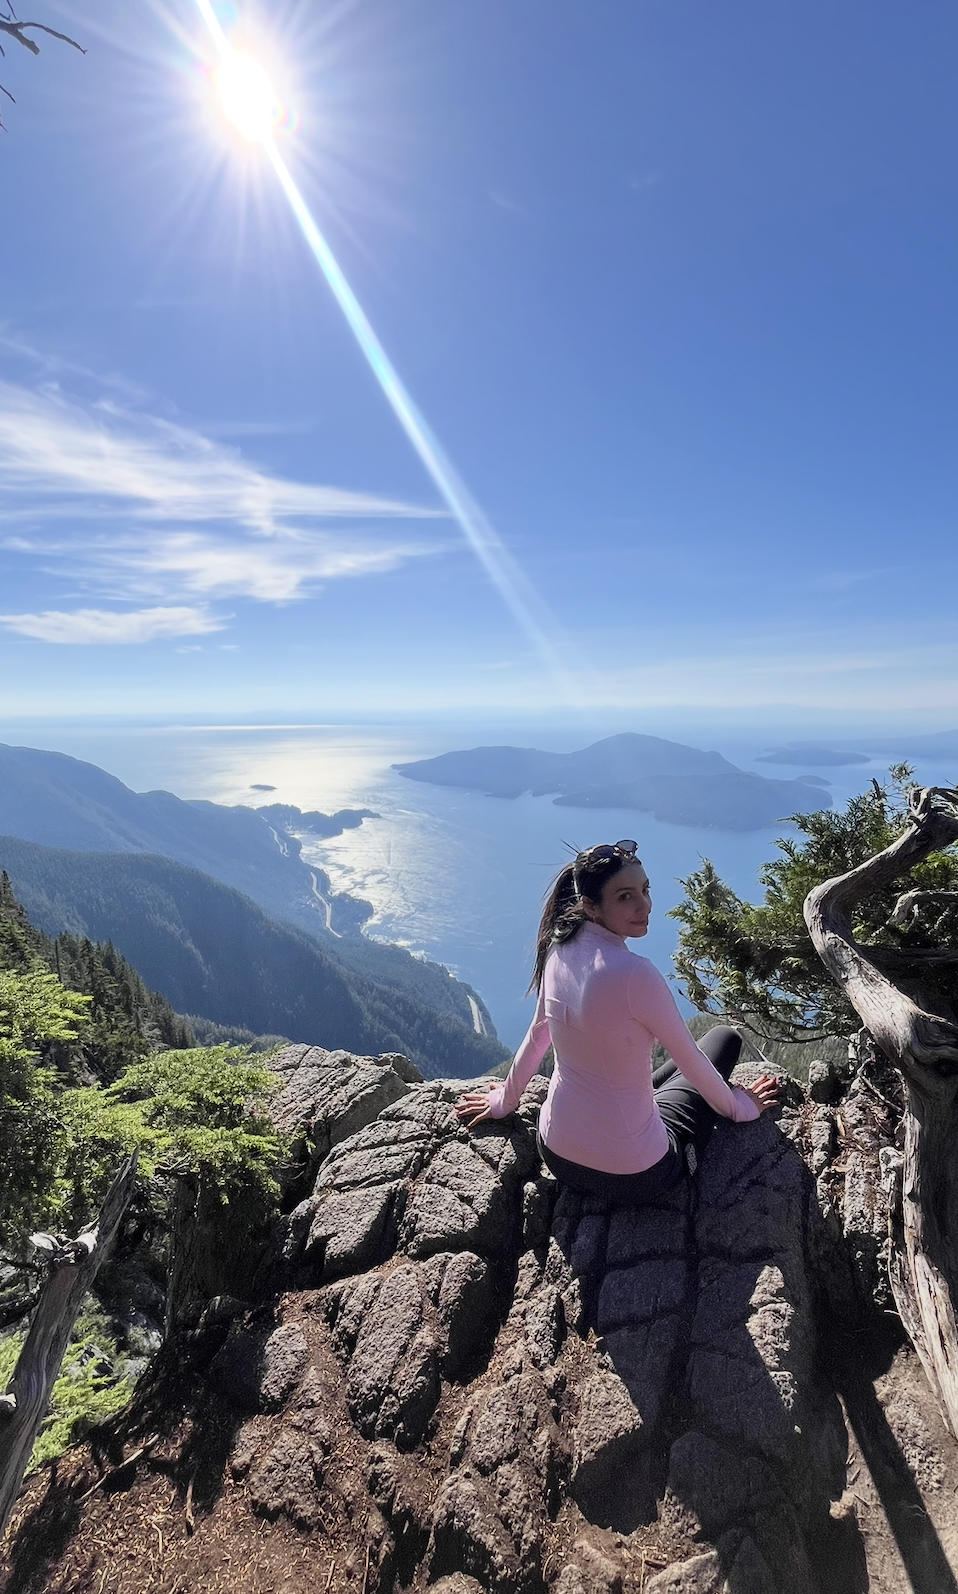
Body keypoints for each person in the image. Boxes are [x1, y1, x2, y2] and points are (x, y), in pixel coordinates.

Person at [455, 840, 778, 1203]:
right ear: (590, 905)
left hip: (556, 1153)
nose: (645, 906)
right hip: (642, 1175)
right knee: (723, 1040)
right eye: (626, 897)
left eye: (645, 890)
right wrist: (740, 1108)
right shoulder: (636, 974)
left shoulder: (558, 949)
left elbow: (538, 1034)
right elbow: (691, 1060)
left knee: (631, 1081)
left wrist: (505, 1101)